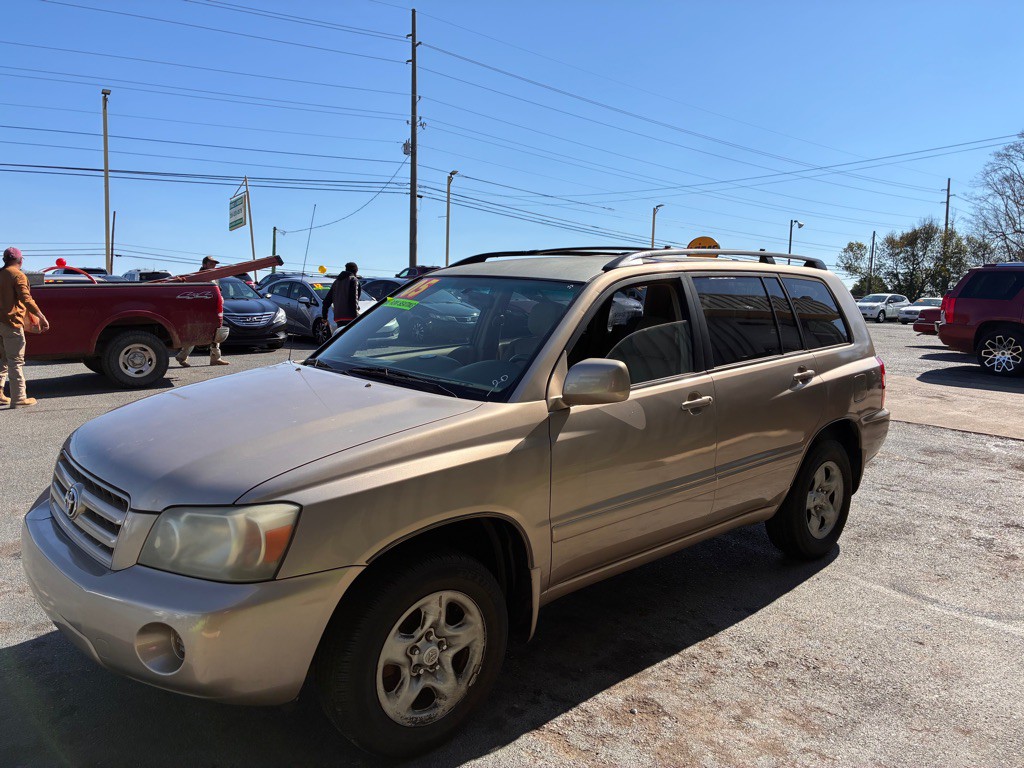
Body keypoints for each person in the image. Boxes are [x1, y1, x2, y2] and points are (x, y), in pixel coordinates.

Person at [0, 246, 50, 407]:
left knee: (2, 359)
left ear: (4, 260)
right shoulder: (18, 275)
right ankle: (19, 398)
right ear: (20, 260)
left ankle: (0, 394)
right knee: (15, 361)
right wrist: (41, 316)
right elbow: (26, 299)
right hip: (11, 323)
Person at [175, 256, 229, 367]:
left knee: (216, 333)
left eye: (215, 264)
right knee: (195, 334)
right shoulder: (198, 277)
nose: (214, 266)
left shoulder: (214, 277)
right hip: (200, 311)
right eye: (211, 264)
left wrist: (220, 298)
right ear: (204, 265)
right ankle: (182, 356)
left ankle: (215, 358)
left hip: (212, 309)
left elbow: (217, 291)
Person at [322, 261, 360, 328]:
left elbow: (326, 301)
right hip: (350, 317)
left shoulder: (336, 282)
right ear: (356, 270)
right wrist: (356, 317)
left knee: (342, 334)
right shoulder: (353, 280)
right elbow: (353, 299)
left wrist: (324, 317)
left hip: (338, 317)